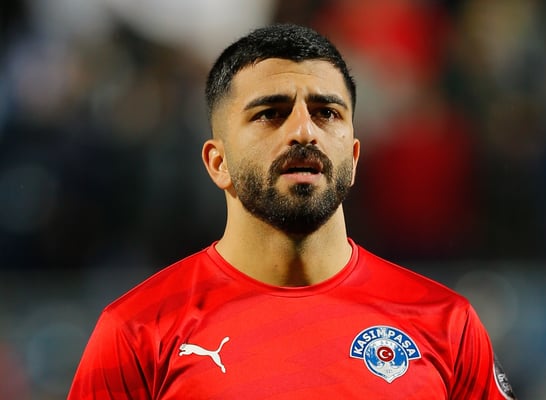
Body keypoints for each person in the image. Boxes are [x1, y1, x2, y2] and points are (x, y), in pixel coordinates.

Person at [67, 24, 516, 399]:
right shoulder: (136, 333)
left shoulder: (446, 323)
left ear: (354, 157)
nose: (304, 131)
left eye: (326, 113)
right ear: (218, 163)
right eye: (270, 113)